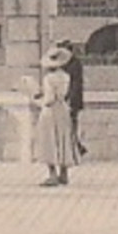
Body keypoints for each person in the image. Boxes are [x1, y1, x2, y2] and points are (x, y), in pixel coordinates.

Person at [34, 46, 79, 186]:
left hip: (51, 111)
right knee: (63, 139)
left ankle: (52, 174)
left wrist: (36, 101)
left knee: (50, 140)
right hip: (63, 109)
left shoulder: (48, 78)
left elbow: (49, 99)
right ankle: (64, 174)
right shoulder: (66, 76)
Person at [58, 38, 88, 158]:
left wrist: (69, 100)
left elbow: (75, 84)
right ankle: (76, 149)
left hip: (72, 102)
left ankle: (76, 150)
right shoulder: (69, 63)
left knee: (70, 126)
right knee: (69, 127)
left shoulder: (74, 64)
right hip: (69, 100)